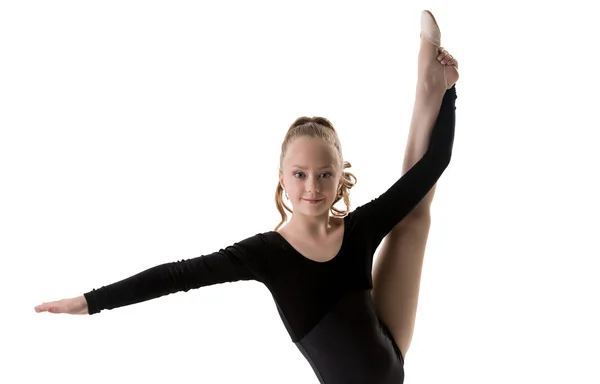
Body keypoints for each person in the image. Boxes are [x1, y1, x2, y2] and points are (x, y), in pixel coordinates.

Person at [34, 10, 459, 384]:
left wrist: (453, 96)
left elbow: (434, 165)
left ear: (339, 178)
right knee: (414, 218)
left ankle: (431, 84)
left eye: (324, 174)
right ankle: (431, 86)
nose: (312, 186)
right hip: (392, 373)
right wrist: (91, 302)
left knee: (414, 215)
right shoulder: (266, 254)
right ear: (282, 180)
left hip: (389, 357)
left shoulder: (360, 229)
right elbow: (177, 275)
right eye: (300, 174)